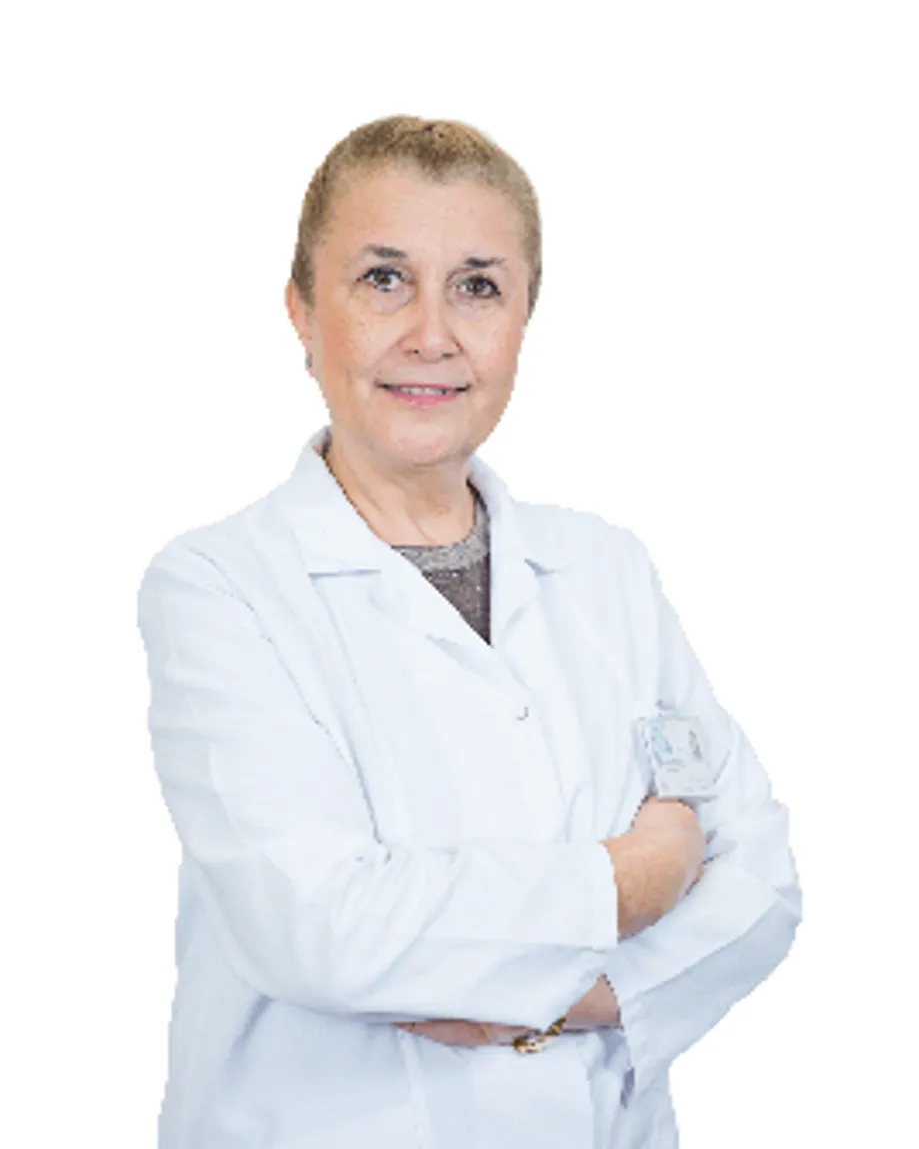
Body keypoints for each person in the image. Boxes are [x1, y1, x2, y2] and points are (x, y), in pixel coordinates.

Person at [136, 114, 803, 1149]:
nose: (432, 334)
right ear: (300, 311)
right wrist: (628, 880)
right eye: (383, 279)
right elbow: (319, 929)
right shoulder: (220, 587)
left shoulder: (605, 569)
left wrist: (585, 1000)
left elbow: (758, 878)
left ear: (525, 316)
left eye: (478, 286)